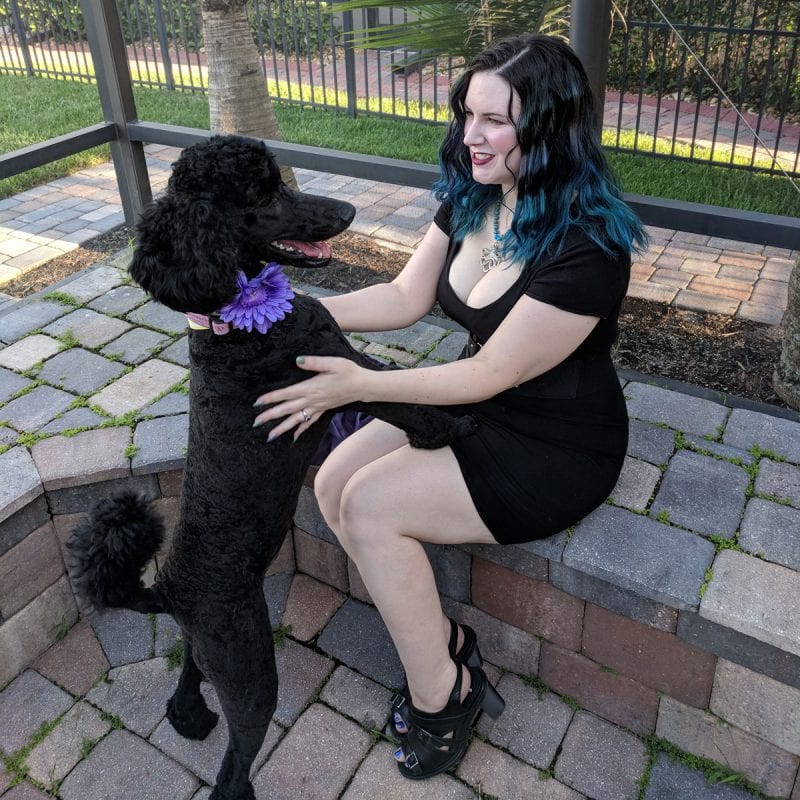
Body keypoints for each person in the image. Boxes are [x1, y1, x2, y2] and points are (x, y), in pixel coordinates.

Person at [254, 33, 647, 780]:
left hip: (554, 445)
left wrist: (357, 383)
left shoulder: (590, 245)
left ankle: (446, 695)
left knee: (370, 507)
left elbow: (492, 371)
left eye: (495, 119)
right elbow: (404, 298)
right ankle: (444, 642)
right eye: (467, 112)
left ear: (550, 125)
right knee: (336, 480)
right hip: (479, 400)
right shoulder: (473, 197)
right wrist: (287, 312)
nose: (471, 134)